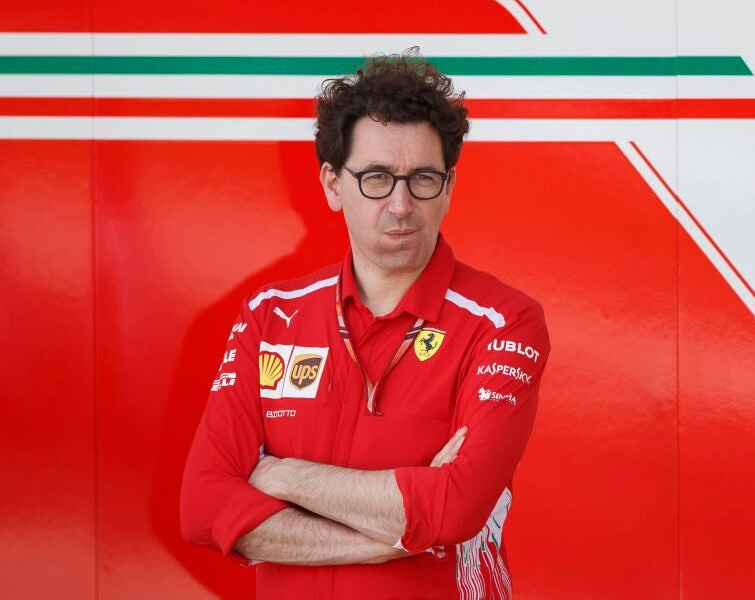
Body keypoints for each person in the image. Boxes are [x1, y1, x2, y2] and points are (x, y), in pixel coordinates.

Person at [180, 53, 550, 600]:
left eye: (422, 178)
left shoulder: (504, 322)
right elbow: (203, 509)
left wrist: (283, 476)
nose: (401, 204)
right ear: (333, 184)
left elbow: (457, 508)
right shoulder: (271, 314)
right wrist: (401, 533)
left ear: (448, 186)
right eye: (376, 178)